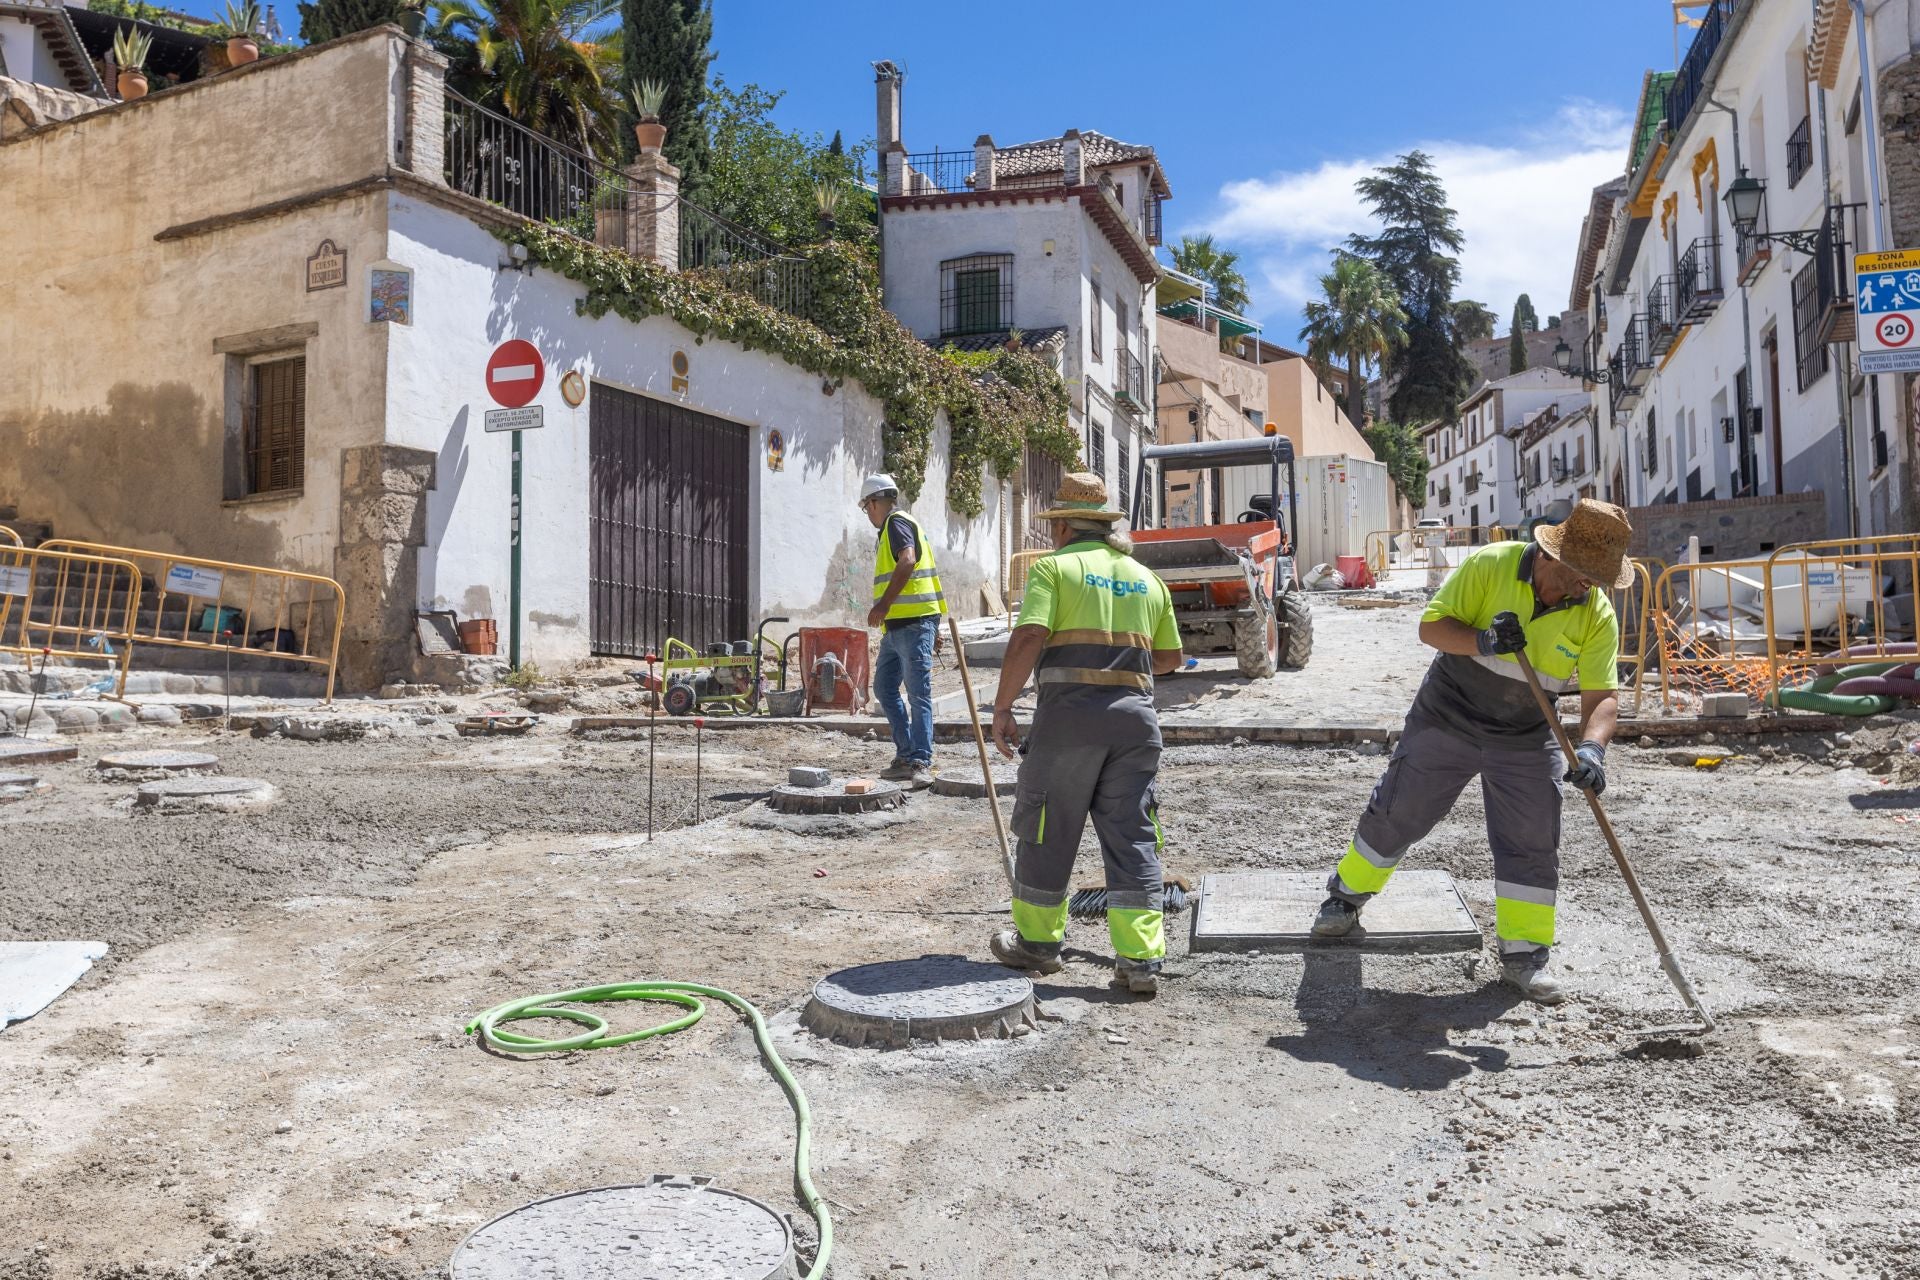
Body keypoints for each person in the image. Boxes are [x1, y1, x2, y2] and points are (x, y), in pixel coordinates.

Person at [1310, 499, 1634, 1004]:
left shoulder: (1595, 613)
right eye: (1582, 574)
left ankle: (1525, 957)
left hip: (1528, 731)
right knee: (1401, 811)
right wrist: (1483, 639)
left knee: (1531, 839)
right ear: (1552, 556)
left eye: (1597, 578)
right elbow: (1431, 628)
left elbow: (1602, 697)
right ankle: (1345, 898)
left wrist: (1592, 749)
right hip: (1450, 712)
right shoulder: (1493, 564)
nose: (1587, 585)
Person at [985, 473, 1184, 995]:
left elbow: (1030, 634)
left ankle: (1037, 945)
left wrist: (1003, 705)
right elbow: (1170, 659)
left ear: (1065, 527)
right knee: (1133, 836)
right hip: (1137, 726)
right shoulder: (1147, 580)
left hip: (1068, 723)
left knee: (1046, 828)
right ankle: (1140, 959)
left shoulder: (1054, 569)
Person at [860, 473, 946, 788]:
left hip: (913, 623)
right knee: (884, 689)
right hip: (899, 626)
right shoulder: (894, 527)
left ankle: (921, 760)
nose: (868, 513)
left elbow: (907, 562)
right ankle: (907, 753)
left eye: (867, 507)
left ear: (874, 502)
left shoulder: (896, 523)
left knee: (918, 693)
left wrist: (882, 605)